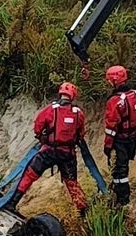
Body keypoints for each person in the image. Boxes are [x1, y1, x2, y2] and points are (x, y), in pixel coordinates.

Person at [9, 82, 89, 216]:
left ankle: (12, 203)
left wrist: (42, 137)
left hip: (49, 151)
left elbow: (38, 126)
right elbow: (81, 133)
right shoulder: (78, 113)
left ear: (61, 93)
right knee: (72, 182)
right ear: (73, 96)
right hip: (67, 154)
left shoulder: (51, 109)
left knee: (30, 175)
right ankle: (83, 212)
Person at [102, 65, 136, 207]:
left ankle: (122, 199)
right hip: (133, 137)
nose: (108, 83)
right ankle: (121, 194)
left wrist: (108, 146)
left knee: (119, 171)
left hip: (120, 139)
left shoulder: (114, 101)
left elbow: (111, 125)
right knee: (124, 166)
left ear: (114, 80)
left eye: (109, 80)